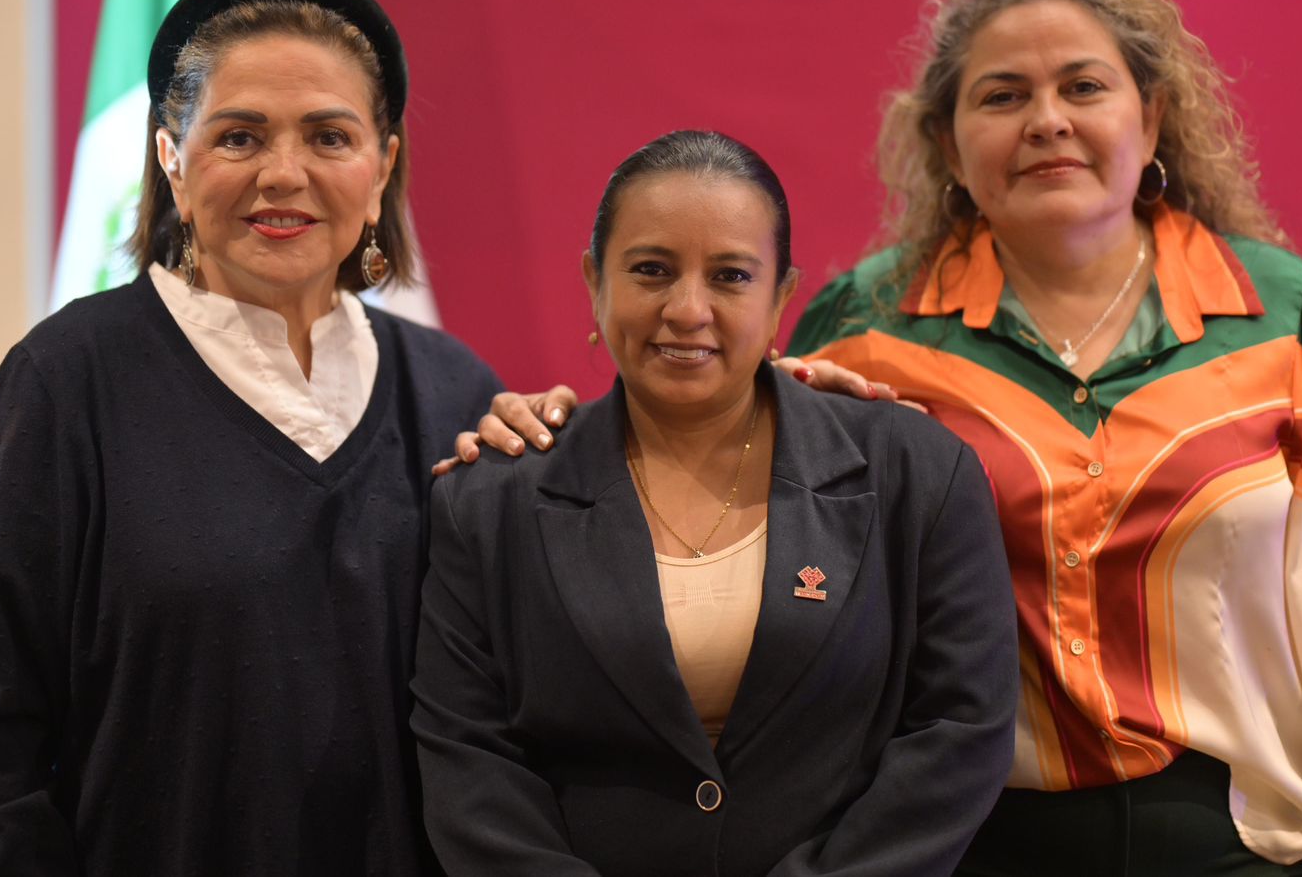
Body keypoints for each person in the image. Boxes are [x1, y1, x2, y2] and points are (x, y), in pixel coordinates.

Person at [464, 0, 1302, 876]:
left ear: (1153, 116)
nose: (1047, 121)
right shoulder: (864, 326)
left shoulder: (1281, 314)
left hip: (1241, 839)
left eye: (1083, 86)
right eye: (1003, 96)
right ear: (947, 142)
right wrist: (551, 429)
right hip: (966, 843)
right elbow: (704, 437)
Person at [0, 0, 503, 875]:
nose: (284, 173)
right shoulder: (66, 383)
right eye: (239, 136)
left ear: (382, 166)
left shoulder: (455, 393)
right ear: (171, 159)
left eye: (329, 136)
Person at [411, 130, 1019, 876]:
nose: (687, 309)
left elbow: (961, 730)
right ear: (595, 281)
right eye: (651, 270)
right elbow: (470, 760)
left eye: (730, 276)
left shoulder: (918, 472)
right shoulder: (488, 500)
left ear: (781, 296)